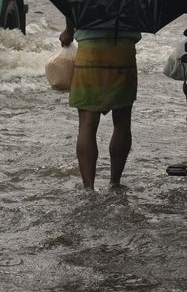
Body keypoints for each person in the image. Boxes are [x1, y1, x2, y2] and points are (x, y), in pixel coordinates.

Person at [59, 15, 140, 189]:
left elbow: (72, 1)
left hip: (90, 49)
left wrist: (69, 30)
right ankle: (115, 183)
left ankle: (89, 188)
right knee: (122, 122)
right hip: (124, 48)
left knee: (87, 125)